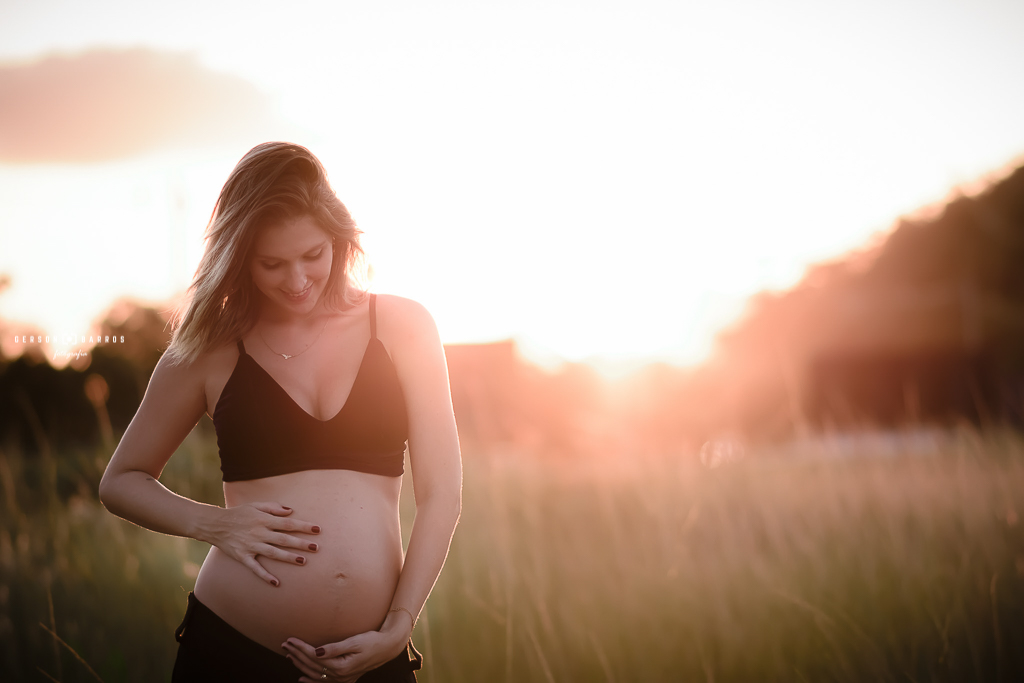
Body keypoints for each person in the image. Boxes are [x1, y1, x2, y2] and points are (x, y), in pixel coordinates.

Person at [99, 142, 462, 682]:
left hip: (374, 656)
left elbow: (442, 493)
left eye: (313, 255)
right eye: (272, 264)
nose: (297, 281)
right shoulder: (211, 345)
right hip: (232, 649)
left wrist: (399, 626)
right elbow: (121, 481)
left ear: (339, 239)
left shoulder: (404, 326)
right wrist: (216, 525)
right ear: (238, 257)